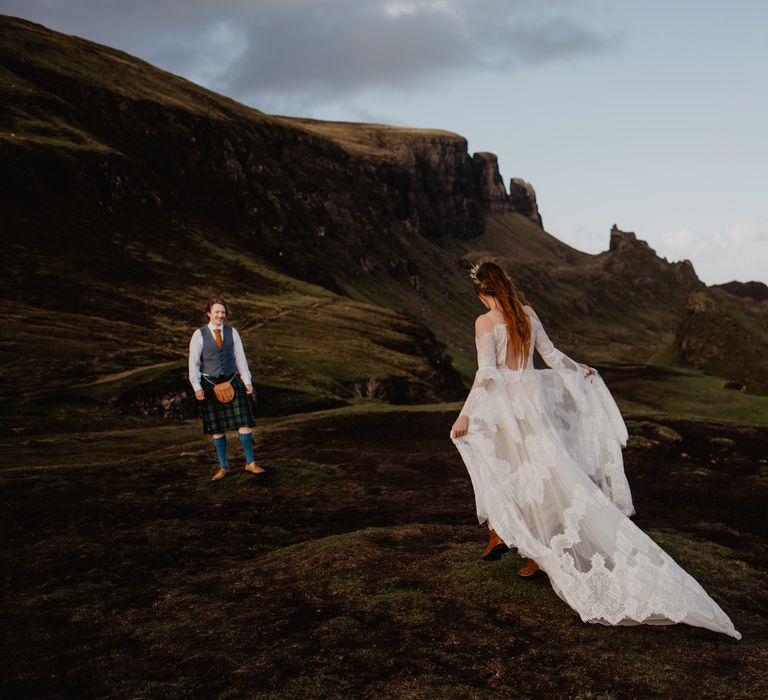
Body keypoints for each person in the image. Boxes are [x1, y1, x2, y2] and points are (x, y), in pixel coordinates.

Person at [450, 261, 740, 639]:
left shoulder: (485, 322)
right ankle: (519, 541)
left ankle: (515, 537)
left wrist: (465, 416)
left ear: (482, 291)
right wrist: (576, 368)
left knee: (510, 467)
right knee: (543, 472)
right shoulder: (527, 314)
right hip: (537, 403)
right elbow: (551, 355)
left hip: (508, 407)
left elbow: (487, 376)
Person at [188, 297, 265, 481]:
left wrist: (247, 380)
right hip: (209, 384)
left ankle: (250, 463)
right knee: (217, 429)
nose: (220, 315)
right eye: (217, 312)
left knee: (244, 424)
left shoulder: (232, 332)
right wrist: (197, 386)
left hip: (232, 380)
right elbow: (193, 363)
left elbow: (240, 358)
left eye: (223, 312)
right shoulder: (199, 335)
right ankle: (223, 467)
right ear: (209, 313)